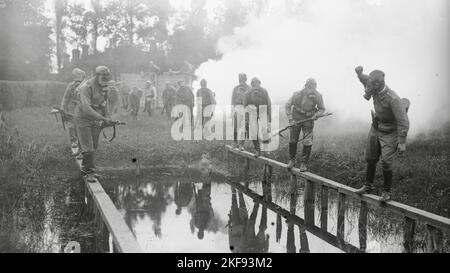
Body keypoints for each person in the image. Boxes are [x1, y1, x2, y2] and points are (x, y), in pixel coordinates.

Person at [354, 66, 410, 202]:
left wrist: (402, 141)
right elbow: (365, 80)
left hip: (390, 131)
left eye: (371, 86)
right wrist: (360, 74)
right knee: (370, 157)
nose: (369, 88)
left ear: (378, 84)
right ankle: (368, 186)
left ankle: (386, 192)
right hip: (376, 126)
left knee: (386, 161)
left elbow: (403, 120)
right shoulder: (373, 84)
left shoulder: (393, 98)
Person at [74, 66, 115, 182]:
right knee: (88, 146)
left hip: (95, 118)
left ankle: (87, 168)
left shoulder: (104, 86)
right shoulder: (85, 87)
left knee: (95, 145)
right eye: (103, 76)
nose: (106, 79)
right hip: (83, 117)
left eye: (108, 76)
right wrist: (102, 118)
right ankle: (89, 173)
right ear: (96, 75)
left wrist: (107, 118)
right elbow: (86, 109)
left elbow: (104, 103)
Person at [285, 78, 325, 172]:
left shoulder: (318, 95)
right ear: (306, 86)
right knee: (293, 140)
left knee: (307, 141)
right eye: (310, 87)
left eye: (314, 87)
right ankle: (291, 160)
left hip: (309, 120)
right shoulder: (297, 94)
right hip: (296, 118)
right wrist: (290, 118)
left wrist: (317, 115)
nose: (312, 89)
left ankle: (303, 163)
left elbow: (322, 108)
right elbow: (287, 105)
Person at [244, 77, 271, 157]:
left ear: (259, 83)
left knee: (264, 130)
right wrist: (249, 108)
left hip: (263, 111)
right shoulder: (247, 93)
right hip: (252, 113)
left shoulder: (264, 91)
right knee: (253, 132)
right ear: (251, 85)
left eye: (257, 83)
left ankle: (266, 148)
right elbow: (245, 106)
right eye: (254, 84)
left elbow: (269, 104)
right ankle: (257, 150)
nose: (256, 85)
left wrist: (269, 118)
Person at [60, 68, 86, 154]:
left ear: (82, 77)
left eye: (78, 78)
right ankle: (74, 142)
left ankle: (82, 148)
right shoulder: (70, 86)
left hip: (83, 111)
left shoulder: (86, 86)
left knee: (81, 129)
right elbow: (66, 97)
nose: (76, 82)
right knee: (71, 126)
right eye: (75, 78)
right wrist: (63, 107)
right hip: (71, 110)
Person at [231, 73, 251, 150]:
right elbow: (233, 99)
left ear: (245, 79)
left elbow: (250, 98)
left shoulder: (249, 88)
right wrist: (232, 110)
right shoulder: (236, 88)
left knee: (244, 127)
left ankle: (241, 144)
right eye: (240, 78)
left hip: (246, 108)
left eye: (243, 78)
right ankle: (235, 143)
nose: (241, 80)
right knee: (237, 126)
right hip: (238, 107)